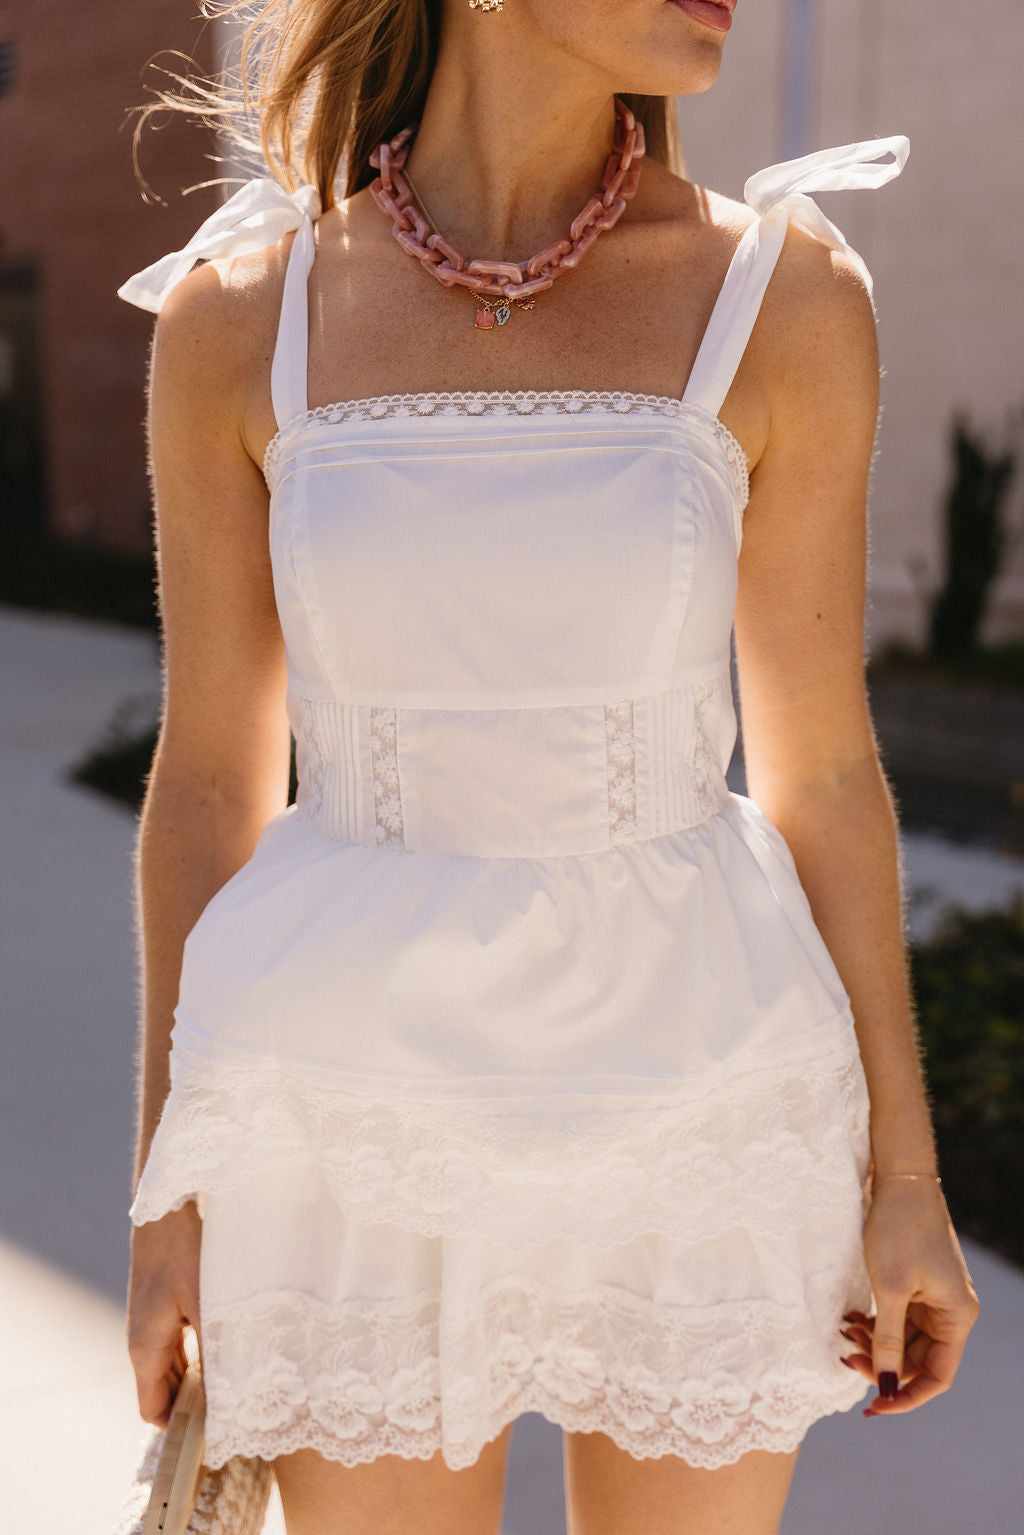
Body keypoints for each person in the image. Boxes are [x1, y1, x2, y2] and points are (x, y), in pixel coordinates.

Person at [117, 1, 979, 1531]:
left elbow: (827, 774)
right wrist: (166, 1193)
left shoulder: (781, 298)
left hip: (699, 1084)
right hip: (339, 1106)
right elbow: (203, 787)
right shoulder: (245, 313)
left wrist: (904, 1175)